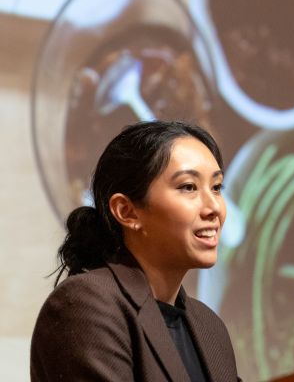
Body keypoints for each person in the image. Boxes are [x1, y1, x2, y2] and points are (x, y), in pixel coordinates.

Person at [30, 120, 241, 381]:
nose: (214, 208)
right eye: (188, 187)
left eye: (217, 187)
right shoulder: (88, 304)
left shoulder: (209, 326)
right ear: (127, 211)